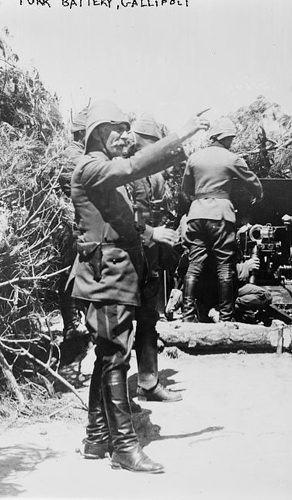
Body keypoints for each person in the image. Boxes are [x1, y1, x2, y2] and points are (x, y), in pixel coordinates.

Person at [68, 99, 209, 473]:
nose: (124, 135)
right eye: (115, 128)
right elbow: (131, 167)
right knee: (116, 357)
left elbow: (128, 222)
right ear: (97, 131)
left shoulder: (103, 169)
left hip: (114, 274)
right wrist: (182, 134)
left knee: (108, 355)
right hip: (106, 275)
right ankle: (125, 447)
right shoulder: (91, 166)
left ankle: (97, 439)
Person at [124, 113, 183, 403]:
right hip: (127, 256)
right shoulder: (126, 172)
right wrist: (152, 234)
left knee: (148, 318)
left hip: (149, 255)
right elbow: (125, 218)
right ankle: (118, 396)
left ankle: (147, 383)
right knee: (122, 323)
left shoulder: (152, 175)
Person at [180, 117, 263, 323]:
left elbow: (185, 189)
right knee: (224, 265)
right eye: (230, 139)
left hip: (196, 214)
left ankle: (188, 315)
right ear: (225, 138)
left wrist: (199, 200)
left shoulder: (194, 157)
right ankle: (226, 317)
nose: (231, 142)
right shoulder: (231, 158)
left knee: (195, 263)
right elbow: (253, 181)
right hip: (221, 215)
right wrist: (258, 194)